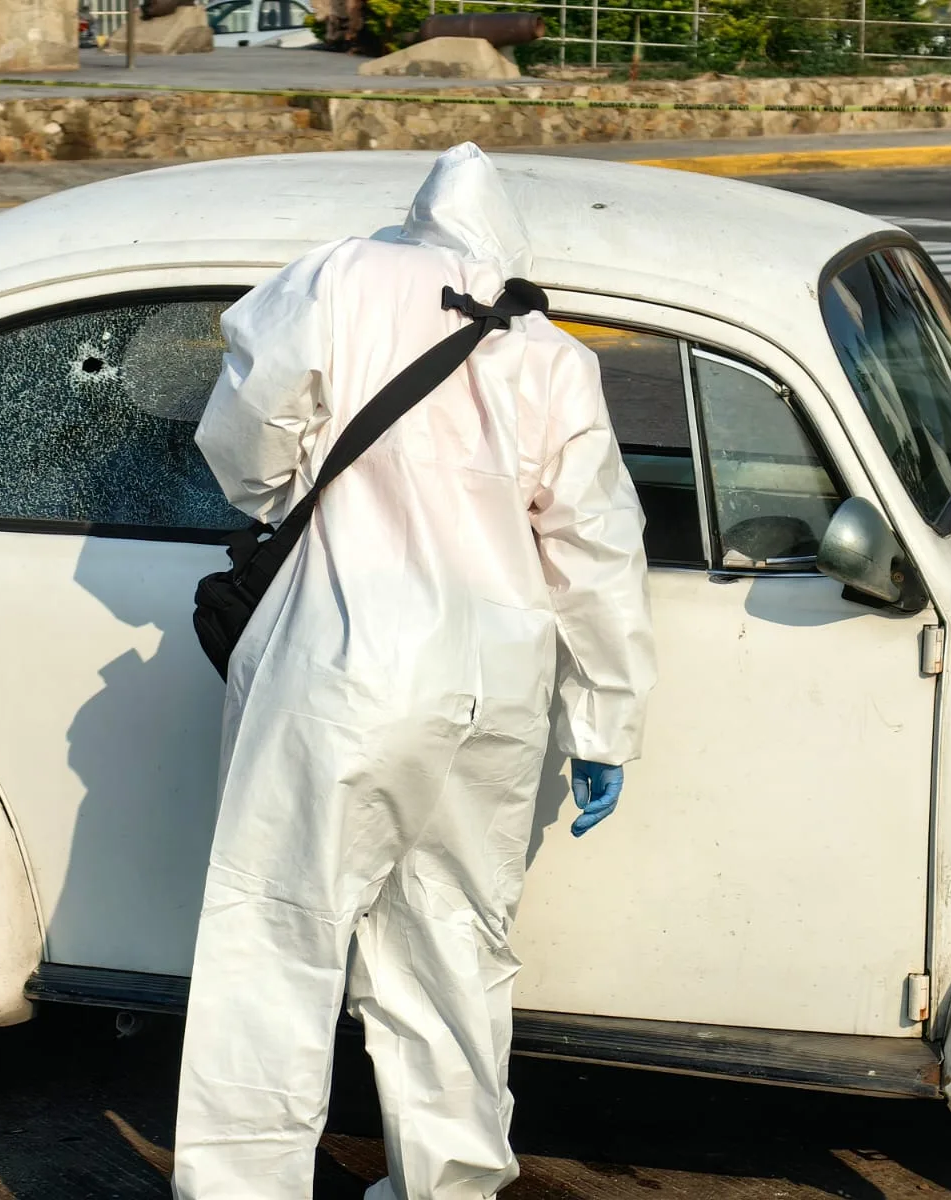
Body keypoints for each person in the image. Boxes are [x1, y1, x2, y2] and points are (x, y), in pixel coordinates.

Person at [175, 142, 657, 1200]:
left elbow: (246, 433)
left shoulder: (342, 277)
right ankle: (449, 1185)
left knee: (279, 934)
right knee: (454, 948)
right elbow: (596, 552)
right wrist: (605, 727)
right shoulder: (553, 357)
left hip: (346, 668)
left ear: (419, 217)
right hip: (497, 691)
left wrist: (273, 493)